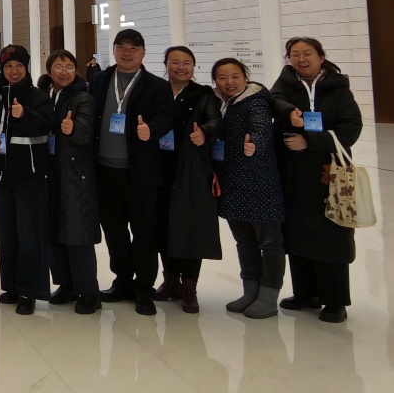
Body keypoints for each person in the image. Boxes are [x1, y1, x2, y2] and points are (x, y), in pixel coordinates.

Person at [270, 37, 362, 324]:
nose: (301, 58)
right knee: (297, 231)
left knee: (332, 234)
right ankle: (306, 293)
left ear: (321, 57)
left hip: (327, 172)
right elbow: (274, 101)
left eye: (307, 53)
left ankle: (335, 301)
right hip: (293, 172)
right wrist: (289, 112)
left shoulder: (338, 88)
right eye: (294, 54)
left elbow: (351, 127)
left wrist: (310, 141)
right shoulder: (286, 83)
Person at [86, 28, 172, 315]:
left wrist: (152, 130)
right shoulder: (99, 80)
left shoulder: (157, 86)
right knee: (114, 232)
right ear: (114, 50)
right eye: (121, 47)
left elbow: (166, 118)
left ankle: (144, 289)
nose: (127, 52)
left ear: (143, 52)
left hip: (141, 173)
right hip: (105, 171)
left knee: (144, 233)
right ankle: (122, 281)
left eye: (133, 48)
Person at [0, 45, 54, 315]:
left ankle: (29, 291)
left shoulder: (38, 96)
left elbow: (48, 124)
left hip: (30, 175)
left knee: (29, 233)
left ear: (26, 68)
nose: (13, 71)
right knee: (6, 232)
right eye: (8, 66)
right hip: (1, 173)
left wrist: (25, 114)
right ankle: (11, 285)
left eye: (19, 66)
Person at [212, 57, 285, 319]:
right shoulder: (219, 103)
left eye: (235, 76)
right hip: (232, 181)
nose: (229, 82)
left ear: (245, 76)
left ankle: (268, 296)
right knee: (243, 240)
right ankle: (250, 291)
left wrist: (254, 143)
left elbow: (261, 127)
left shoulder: (256, 100)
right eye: (222, 78)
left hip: (259, 181)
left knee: (270, 241)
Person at [154, 46, 222, 313]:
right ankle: (170, 280)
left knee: (191, 226)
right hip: (160, 167)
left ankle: (189, 287)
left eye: (186, 63)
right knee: (164, 225)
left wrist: (204, 132)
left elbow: (216, 121)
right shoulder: (157, 91)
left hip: (192, 168)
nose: (181, 67)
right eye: (175, 62)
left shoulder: (203, 94)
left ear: (194, 67)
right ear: (166, 64)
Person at [39, 50, 101, 315]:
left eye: (69, 67)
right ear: (49, 70)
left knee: (78, 233)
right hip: (50, 171)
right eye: (58, 66)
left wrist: (73, 129)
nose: (64, 71)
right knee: (54, 230)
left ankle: (89, 291)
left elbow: (86, 133)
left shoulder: (83, 97)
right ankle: (66, 285)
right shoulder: (44, 95)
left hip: (75, 172)